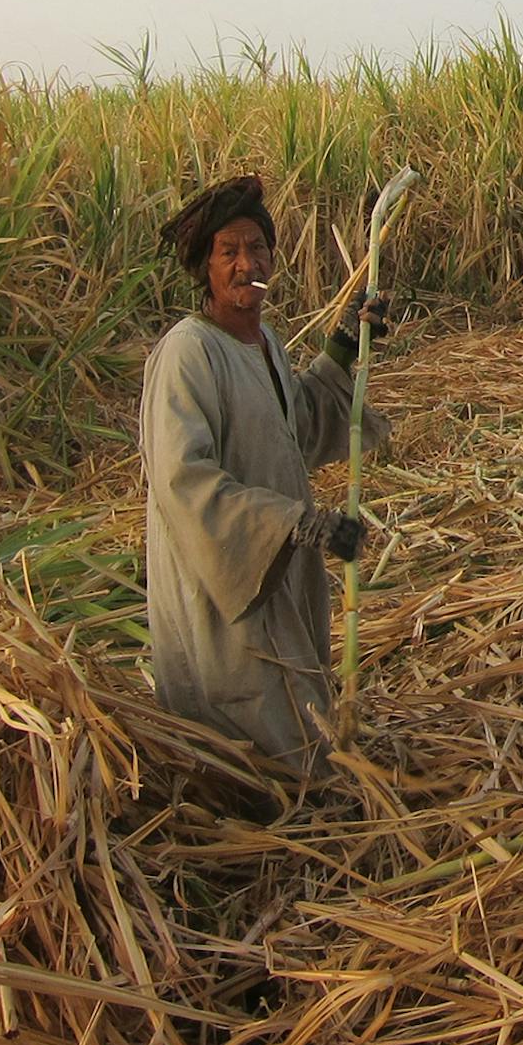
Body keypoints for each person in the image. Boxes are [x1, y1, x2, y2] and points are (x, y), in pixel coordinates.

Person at [139, 174, 389, 777]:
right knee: (244, 731)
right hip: (227, 584)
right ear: (206, 268)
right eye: (229, 252)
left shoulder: (264, 344)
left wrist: (343, 349)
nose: (246, 263)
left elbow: (292, 429)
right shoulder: (187, 354)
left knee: (294, 717)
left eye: (257, 249)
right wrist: (297, 525)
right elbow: (183, 480)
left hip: (275, 572)